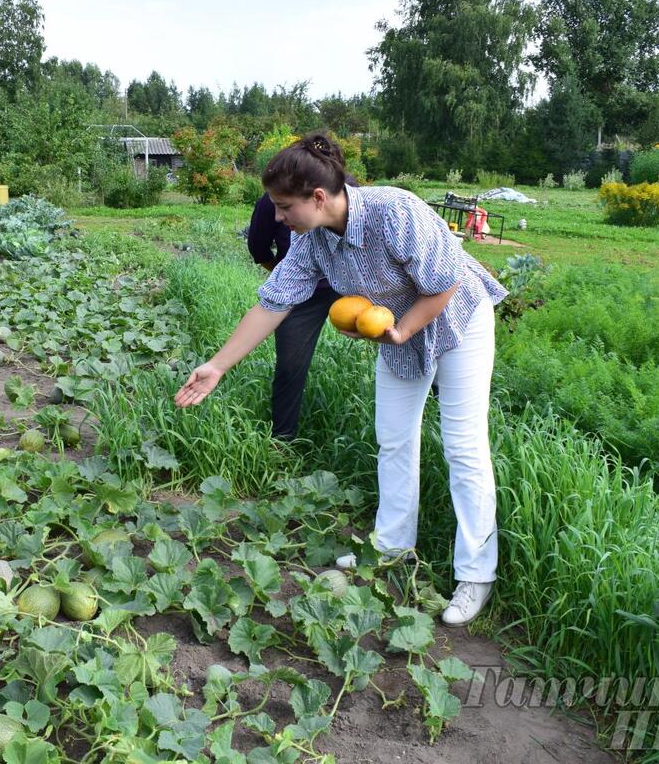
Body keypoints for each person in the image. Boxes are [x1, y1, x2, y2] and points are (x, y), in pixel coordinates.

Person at [175, 133, 507, 626]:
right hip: (397, 328)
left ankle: (476, 575)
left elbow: (445, 282)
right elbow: (273, 302)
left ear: (318, 197)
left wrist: (402, 331)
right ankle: (391, 548)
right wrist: (218, 365)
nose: (279, 218)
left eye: (285, 207)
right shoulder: (312, 244)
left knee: (462, 445)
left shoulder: (394, 211)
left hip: (457, 320)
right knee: (393, 438)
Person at [247, 186, 346, 440]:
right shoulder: (281, 197)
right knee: (291, 364)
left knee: (395, 337)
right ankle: (283, 438)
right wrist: (286, 276)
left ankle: (432, 390)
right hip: (301, 292)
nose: (280, 216)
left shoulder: (354, 195)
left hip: (349, 285)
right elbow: (259, 247)